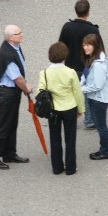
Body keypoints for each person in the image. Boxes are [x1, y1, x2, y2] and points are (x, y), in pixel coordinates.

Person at [0, 25, 33, 170]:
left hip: (12, 91)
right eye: (19, 33)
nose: (22, 34)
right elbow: (17, 79)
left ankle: (9, 153)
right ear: (11, 37)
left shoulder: (13, 46)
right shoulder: (8, 55)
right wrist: (26, 88)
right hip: (8, 93)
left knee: (12, 123)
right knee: (4, 125)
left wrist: (23, 87)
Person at [37, 43, 85, 175]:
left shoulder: (44, 73)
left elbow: (40, 91)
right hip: (69, 108)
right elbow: (77, 92)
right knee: (70, 139)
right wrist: (81, 109)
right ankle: (70, 167)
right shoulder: (70, 72)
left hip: (53, 110)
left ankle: (57, 167)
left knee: (55, 138)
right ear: (65, 56)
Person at [58, 0, 101, 130]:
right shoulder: (92, 29)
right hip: (86, 66)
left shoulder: (67, 27)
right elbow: (98, 48)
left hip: (70, 65)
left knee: (71, 93)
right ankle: (89, 121)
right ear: (88, 12)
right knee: (87, 93)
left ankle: (70, 119)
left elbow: (61, 45)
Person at [81, 34, 108, 160]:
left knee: (101, 126)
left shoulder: (98, 64)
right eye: (84, 45)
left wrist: (80, 89)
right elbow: (86, 75)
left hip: (99, 99)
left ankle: (106, 151)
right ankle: (104, 149)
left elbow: (97, 85)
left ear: (95, 46)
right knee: (101, 125)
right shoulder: (93, 58)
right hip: (96, 97)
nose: (85, 48)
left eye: (88, 45)